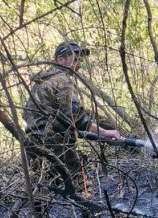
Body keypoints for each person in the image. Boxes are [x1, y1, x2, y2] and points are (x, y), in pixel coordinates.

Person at [24, 41, 121, 199]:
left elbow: (30, 115)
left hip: (32, 142)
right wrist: (104, 132)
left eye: (80, 59)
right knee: (81, 183)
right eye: (75, 58)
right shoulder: (62, 80)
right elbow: (74, 114)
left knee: (41, 190)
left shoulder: (40, 82)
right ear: (60, 60)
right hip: (55, 144)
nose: (79, 64)